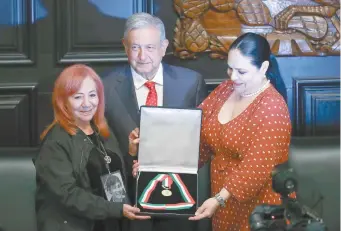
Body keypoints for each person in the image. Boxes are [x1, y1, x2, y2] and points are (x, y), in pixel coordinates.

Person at [103, 12, 208, 231]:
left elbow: (202, 142)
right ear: (125, 46)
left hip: (179, 197)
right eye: (135, 47)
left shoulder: (191, 82)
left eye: (150, 47)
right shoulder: (105, 87)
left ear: (164, 46)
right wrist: (128, 158)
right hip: (129, 204)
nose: (142, 56)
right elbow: (101, 148)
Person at [186, 32, 291, 231]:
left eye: (241, 72)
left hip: (259, 207)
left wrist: (218, 199)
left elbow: (254, 169)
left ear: (264, 68)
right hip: (223, 199)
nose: (233, 77)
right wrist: (160, 154)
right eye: (230, 69)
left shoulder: (272, 108)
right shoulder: (225, 89)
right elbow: (194, 127)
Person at [34, 64, 149, 231]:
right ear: (63, 101)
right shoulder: (55, 141)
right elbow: (69, 195)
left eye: (92, 95)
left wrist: (131, 155)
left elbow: (111, 173)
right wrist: (116, 209)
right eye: (78, 97)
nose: (87, 104)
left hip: (110, 222)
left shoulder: (101, 129)